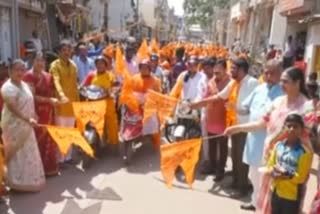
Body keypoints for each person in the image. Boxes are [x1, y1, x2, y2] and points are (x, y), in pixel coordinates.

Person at [224, 67, 315, 213]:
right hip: (271, 158)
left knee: (287, 203)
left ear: (298, 83)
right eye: (281, 81)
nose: (281, 85)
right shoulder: (277, 102)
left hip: (292, 163)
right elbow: (261, 124)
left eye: (285, 81)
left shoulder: (307, 107)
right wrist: (236, 128)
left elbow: (305, 136)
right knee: (268, 198)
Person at [191, 58, 259, 198]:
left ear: (241, 70)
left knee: (241, 158)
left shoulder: (252, 83)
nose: (230, 71)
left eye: (233, 68)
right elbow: (219, 96)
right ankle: (235, 181)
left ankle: (243, 188)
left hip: (244, 127)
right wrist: (199, 104)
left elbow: (254, 107)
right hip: (233, 125)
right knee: (235, 156)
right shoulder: (234, 83)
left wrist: (238, 109)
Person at [237, 60, 284, 211]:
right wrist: (235, 108)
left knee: (266, 178)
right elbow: (245, 108)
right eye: (266, 72)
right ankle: (255, 202)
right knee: (253, 175)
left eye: (273, 73)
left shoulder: (283, 93)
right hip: (253, 139)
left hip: (270, 143)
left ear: (280, 74)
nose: (268, 76)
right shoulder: (259, 88)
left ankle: (264, 207)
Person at [1, 59, 45, 192]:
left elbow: (30, 102)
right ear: (10, 71)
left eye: (22, 69)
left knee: (28, 153)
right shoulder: (7, 87)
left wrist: (34, 115)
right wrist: (28, 119)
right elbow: (12, 107)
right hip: (14, 126)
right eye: (17, 69)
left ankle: (30, 182)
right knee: (15, 155)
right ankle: (13, 183)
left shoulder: (24, 85)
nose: (20, 72)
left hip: (27, 125)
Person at [23, 53, 60, 176]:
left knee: (50, 139)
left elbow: (52, 92)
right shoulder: (28, 76)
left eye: (42, 61)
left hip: (49, 112)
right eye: (37, 60)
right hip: (36, 112)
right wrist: (49, 100)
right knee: (38, 140)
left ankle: (49, 168)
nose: (40, 63)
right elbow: (31, 97)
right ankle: (37, 170)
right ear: (32, 61)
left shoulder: (48, 76)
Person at [268, 114, 312, 214]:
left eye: (295, 126)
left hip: (291, 196)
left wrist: (285, 174)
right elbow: (270, 165)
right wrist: (273, 172)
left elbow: (301, 177)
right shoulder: (278, 146)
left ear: (301, 129)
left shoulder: (305, 152)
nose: (291, 129)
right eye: (289, 126)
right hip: (276, 191)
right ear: (284, 127)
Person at [50, 40, 79, 164]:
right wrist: (61, 95)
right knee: (61, 132)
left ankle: (68, 157)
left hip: (72, 104)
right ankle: (60, 159)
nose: (67, 52)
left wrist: (78, 101)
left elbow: (75, 84)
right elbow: (56, 81)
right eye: (64, 50)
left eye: (69, 50)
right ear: (59, 52)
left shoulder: (73, 65)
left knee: (70, 131)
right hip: (61, 104)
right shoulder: (54, 65)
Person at [201, 59, 230, 181]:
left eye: (219, 69)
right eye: (215, 69)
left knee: (223, 147)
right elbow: (205, 97)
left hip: (223, 120)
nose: (216, 72)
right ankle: (212, 167)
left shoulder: (230, 83)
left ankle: (220, 170)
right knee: (212, 145)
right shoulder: (211, 82)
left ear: (225, 69)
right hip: (211, 118)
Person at [81, 56, 119, 145]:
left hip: (107, 101)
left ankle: (114, 143)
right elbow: (84, 85)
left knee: (112, 123)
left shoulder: (110, 75)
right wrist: (81, 88)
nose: (100, 65)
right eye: (98, 63)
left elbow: (115, 85)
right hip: (93, 102)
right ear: (95, 65)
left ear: (105, 65)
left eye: (102, 63)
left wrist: (113, 91)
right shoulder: (91, 75)